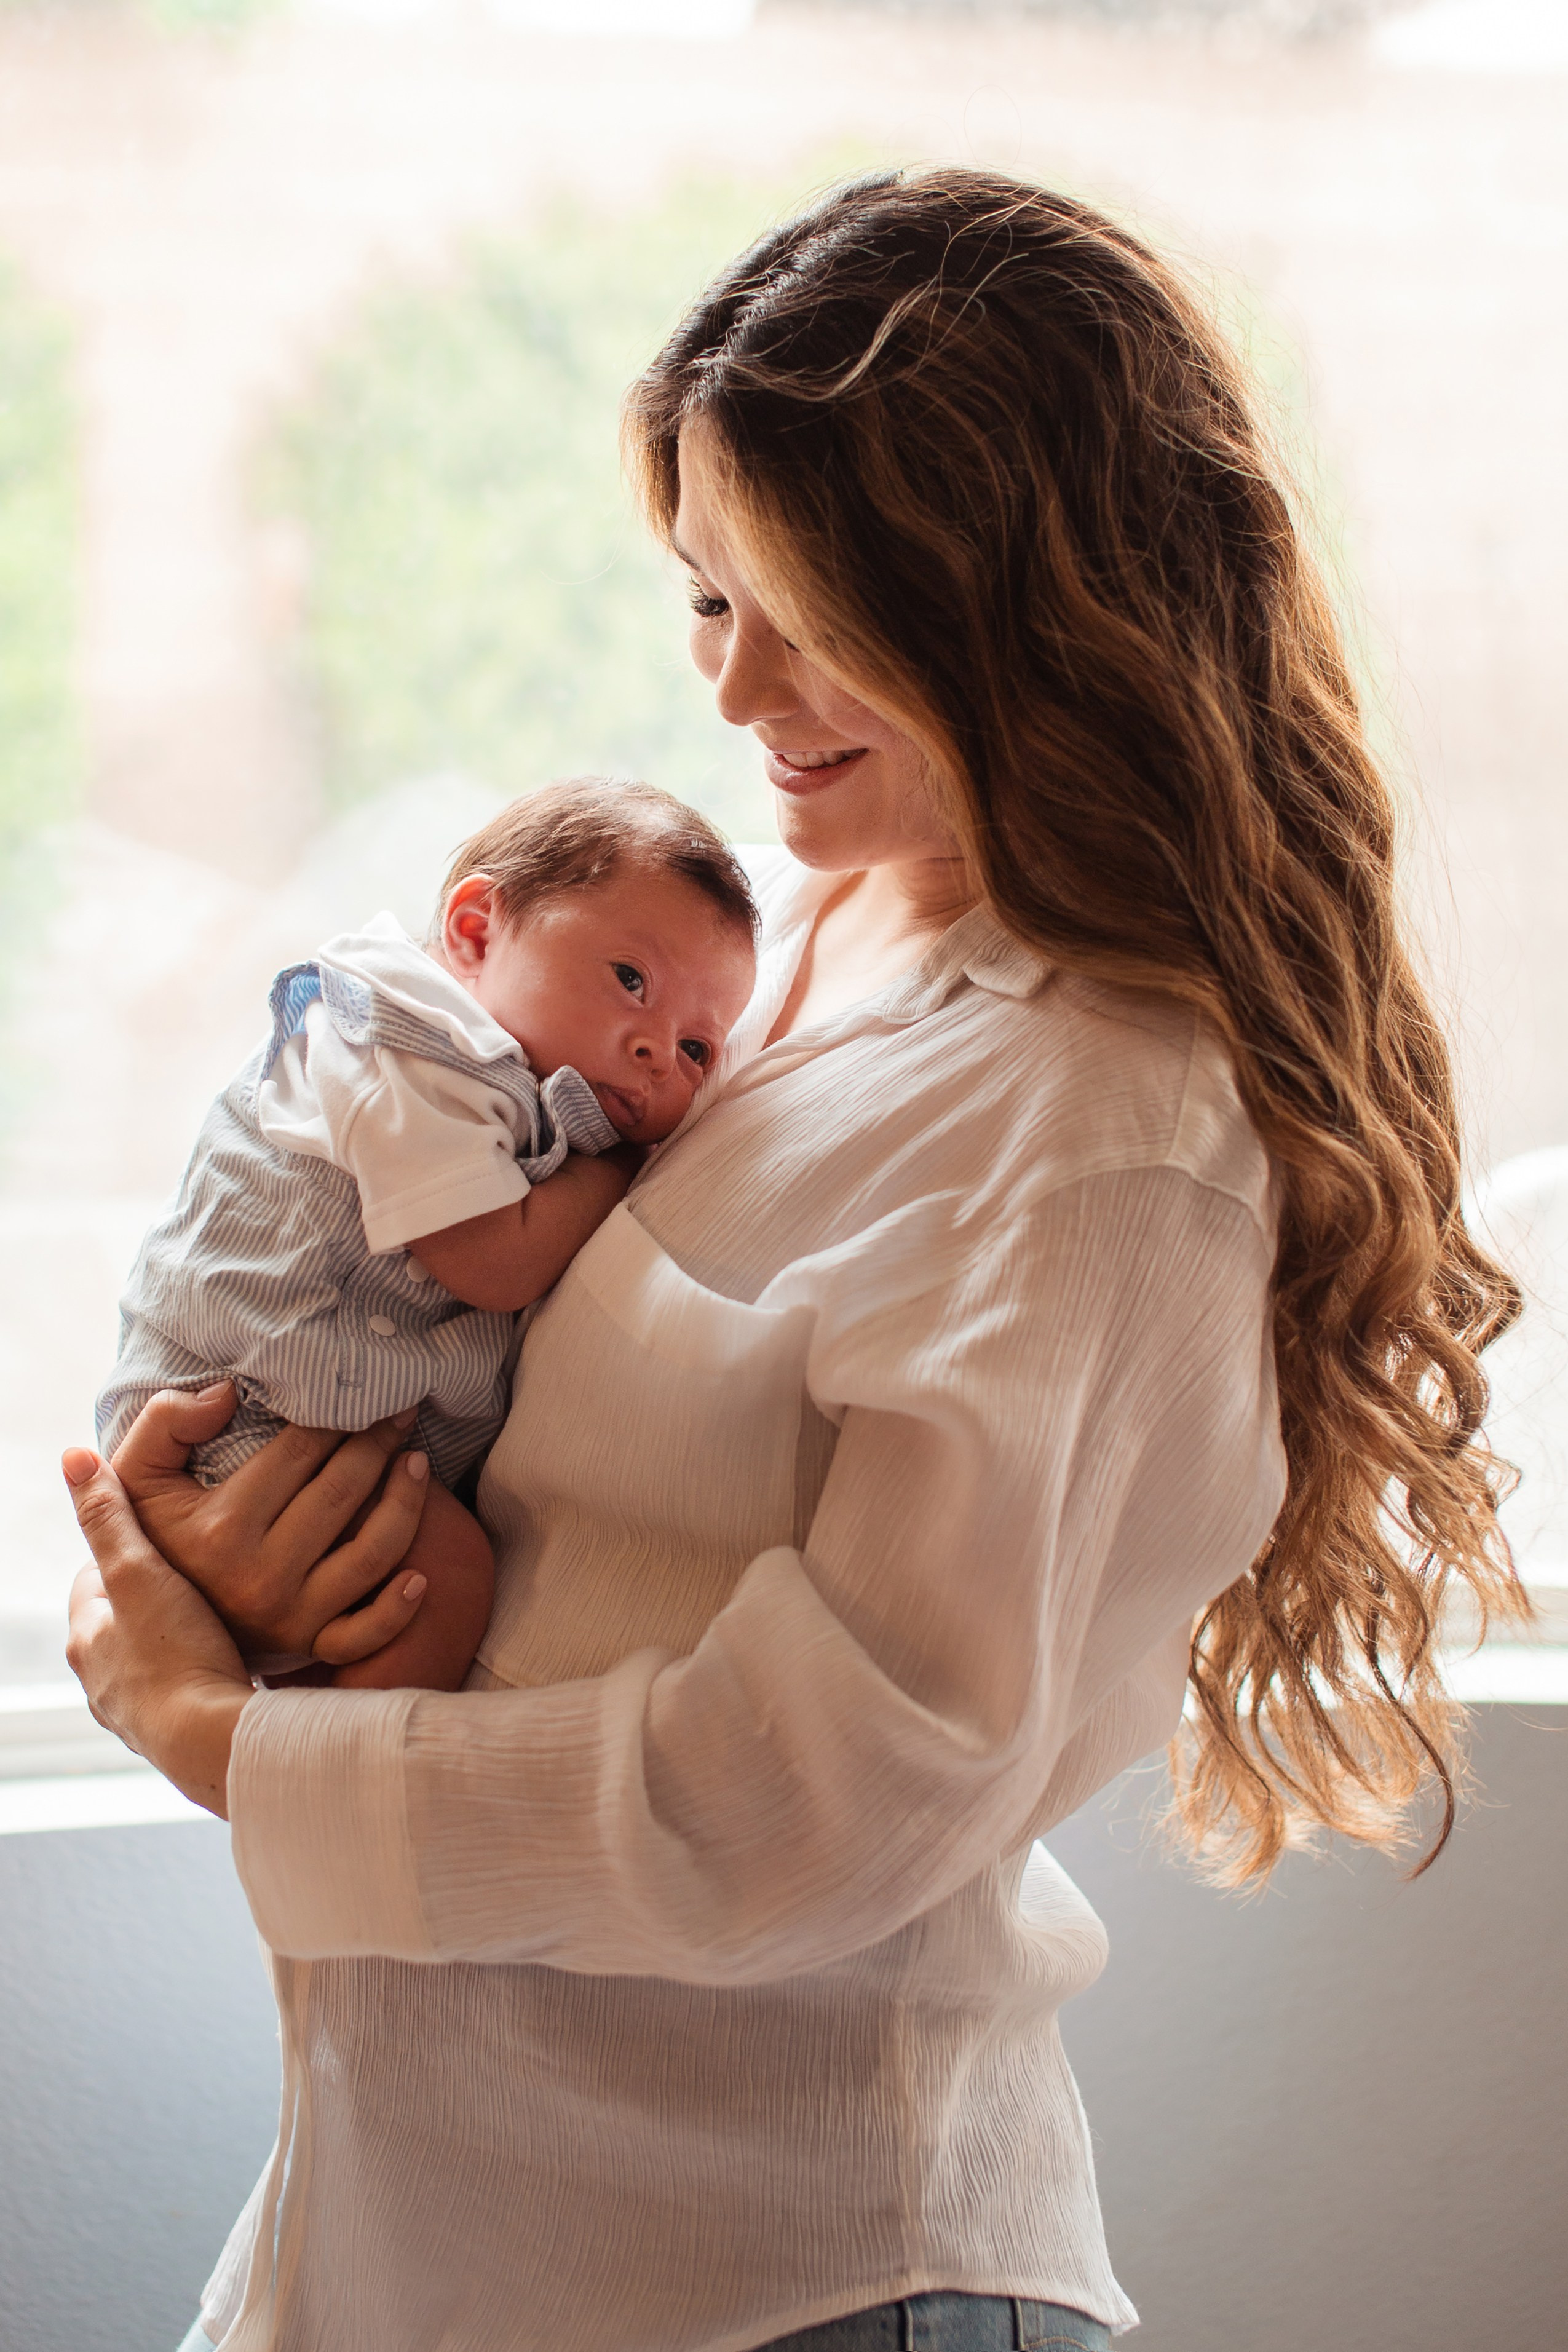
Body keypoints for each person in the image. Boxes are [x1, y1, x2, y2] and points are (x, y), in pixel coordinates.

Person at [64, 169, 1524, 2352]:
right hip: (414, 2228)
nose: (736, 683)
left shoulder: (1107, 1132)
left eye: (806, 604)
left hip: (773, 2271)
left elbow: (808, 1797)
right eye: (704, 596)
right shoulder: (781, 934)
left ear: (1032, 602)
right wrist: (232, 1539)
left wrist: (223, 1735)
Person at [96, 778, 758, 1693]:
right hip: (235, 1416)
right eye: (630, 980)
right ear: (477, 931)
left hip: (304, 1429)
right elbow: (497, 1262)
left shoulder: (490, 1081)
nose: (655, 1045)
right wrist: (610, 1172)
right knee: (440, 1576)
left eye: (697, 1048)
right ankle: (315, 1779)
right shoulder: (413, 1048)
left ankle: (293, 1729)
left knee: (398, 1581)